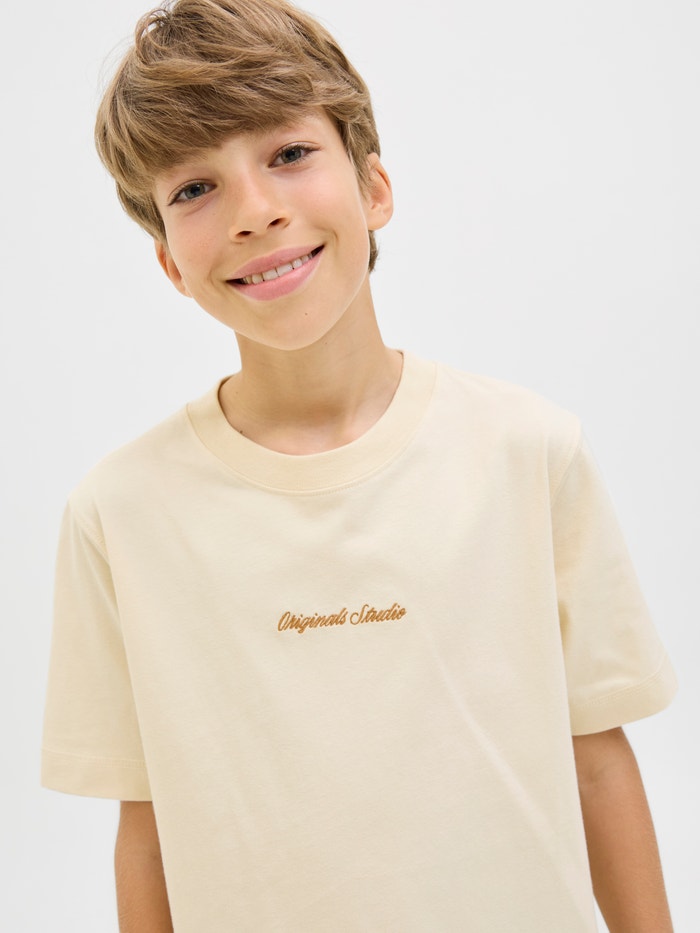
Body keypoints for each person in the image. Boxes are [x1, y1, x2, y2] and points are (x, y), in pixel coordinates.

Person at [41, 0, 677, 930]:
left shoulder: (528, 450)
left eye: (290, 153)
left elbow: (597, 761)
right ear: (170, 263)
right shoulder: (120, 513)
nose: (256, 212)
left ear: (374, 186)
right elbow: (146, 828)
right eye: (195, 188)